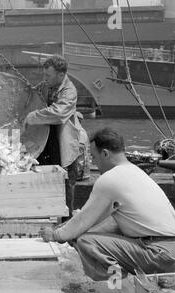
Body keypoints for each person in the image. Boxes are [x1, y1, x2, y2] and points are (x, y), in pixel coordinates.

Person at [40, 128, 175, 281]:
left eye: (93, 156)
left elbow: (82, 221)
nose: (93, 162)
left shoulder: (110, 179)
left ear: (105, 153)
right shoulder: (136, 173)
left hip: (159, 253)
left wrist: (55, 234)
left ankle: (115, 289)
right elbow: (100, 222)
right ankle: (121, 283)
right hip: (169, 251)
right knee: (98, 230)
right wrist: (70, 230)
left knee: (87, 242)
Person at [23, 55, 89, 217]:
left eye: (48, 75)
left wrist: (32, 116)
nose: (45, 78)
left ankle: (66, 220)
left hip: (65, 141)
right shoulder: (47, 85)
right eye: (44, 75)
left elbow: (59, 113)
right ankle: (47, 215)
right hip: (47, 140)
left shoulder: (69, 91)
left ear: (61, 75)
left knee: (66, 182)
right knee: (46, 177)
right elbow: (34, 95)